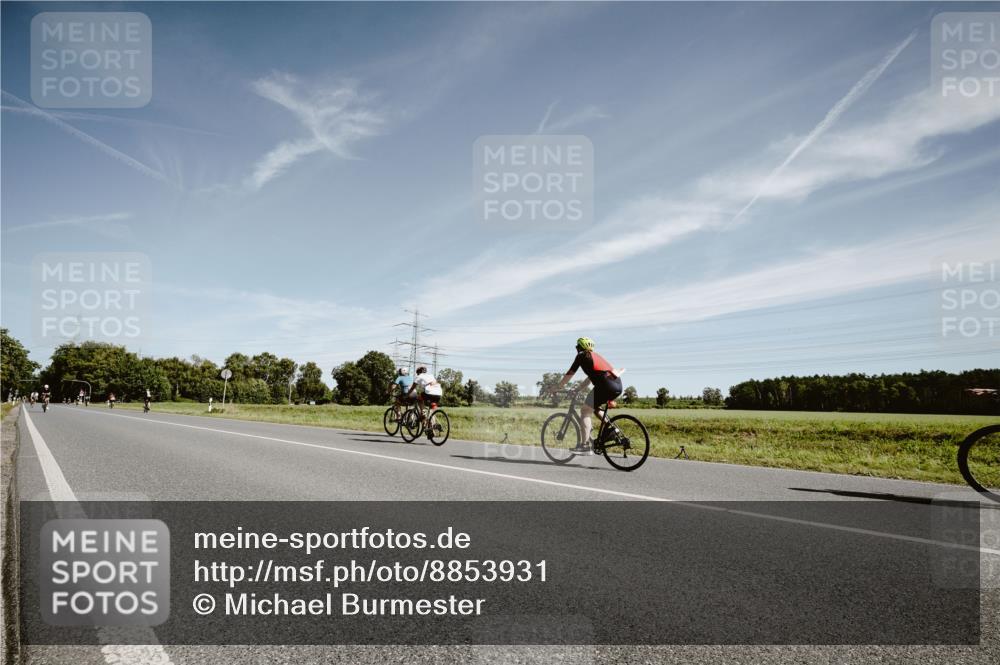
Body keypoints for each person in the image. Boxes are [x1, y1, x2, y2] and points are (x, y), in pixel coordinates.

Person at [551, 337, 622, 455]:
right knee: (594, 408)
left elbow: (570, 373)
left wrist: (558, 387)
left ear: (580, 347)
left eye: (577, 346)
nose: (576, 349)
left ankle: (584, 446)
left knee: (584, 411)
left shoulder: (582, 356)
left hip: (605, 386)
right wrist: (578, 389)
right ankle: (613, 429)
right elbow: (590, 378)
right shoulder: (594, 357)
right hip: (617, 385)